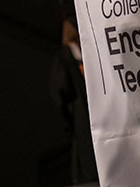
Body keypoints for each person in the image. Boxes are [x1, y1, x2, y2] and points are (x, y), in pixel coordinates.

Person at [50, 12, 98, 185]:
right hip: (81, 113)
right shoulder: (65, 56)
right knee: (87, 159)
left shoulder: (86, 52)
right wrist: (69, 118)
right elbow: (61, 91)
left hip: (88, 111)